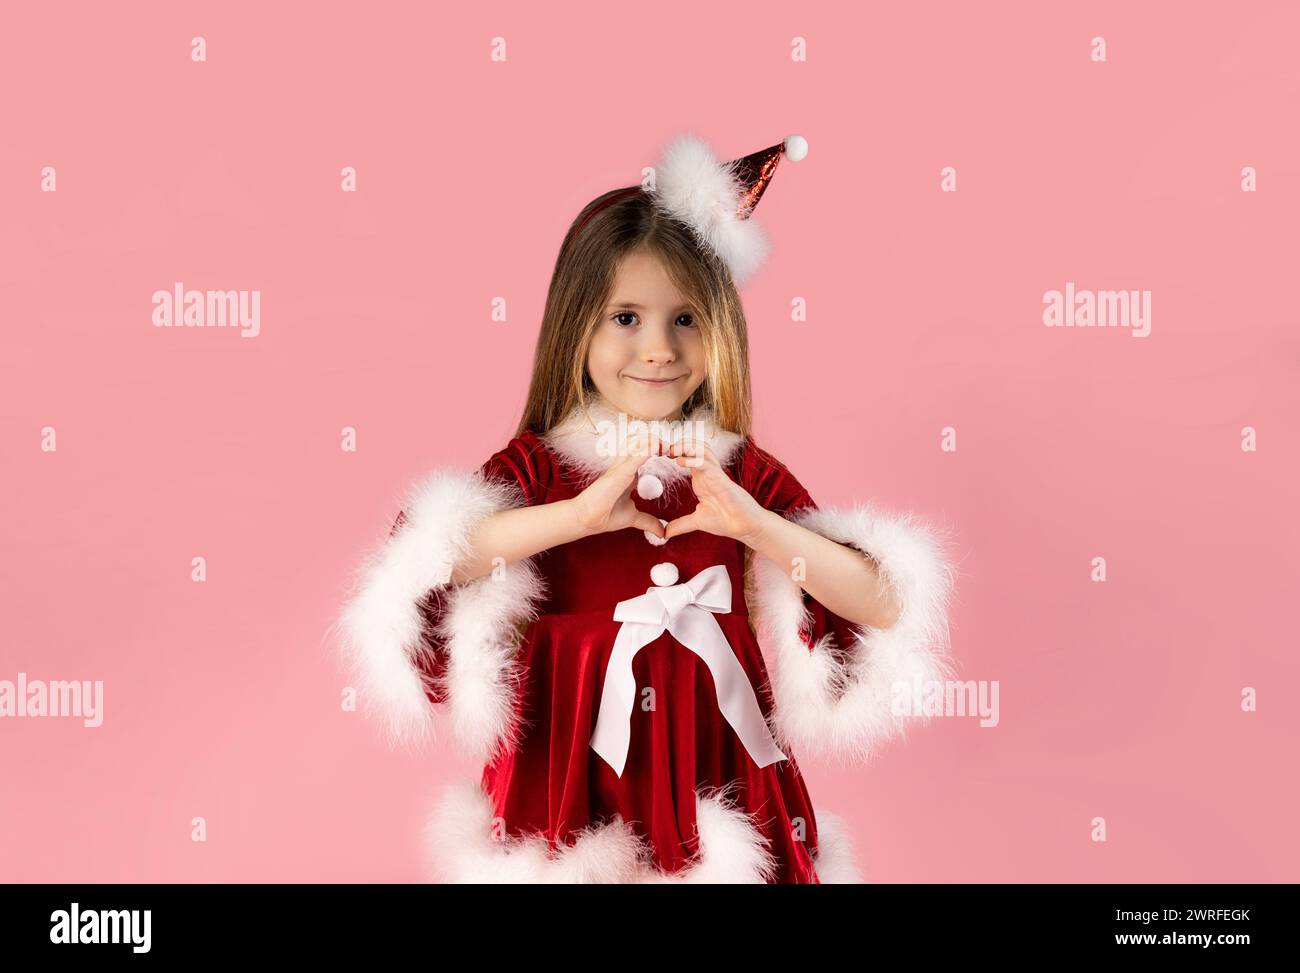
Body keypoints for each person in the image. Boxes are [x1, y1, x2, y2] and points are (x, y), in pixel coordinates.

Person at [337, 133, 956, 883]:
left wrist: (755, 525)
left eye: (685, 319)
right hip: (565, 780)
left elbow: (881, 600)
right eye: (626, 318)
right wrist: (578, 517)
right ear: (577, 326)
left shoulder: (736, 471)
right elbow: (432, 557)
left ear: (719, 328)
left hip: (717, 768)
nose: (658, 348)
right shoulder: (541, 466)